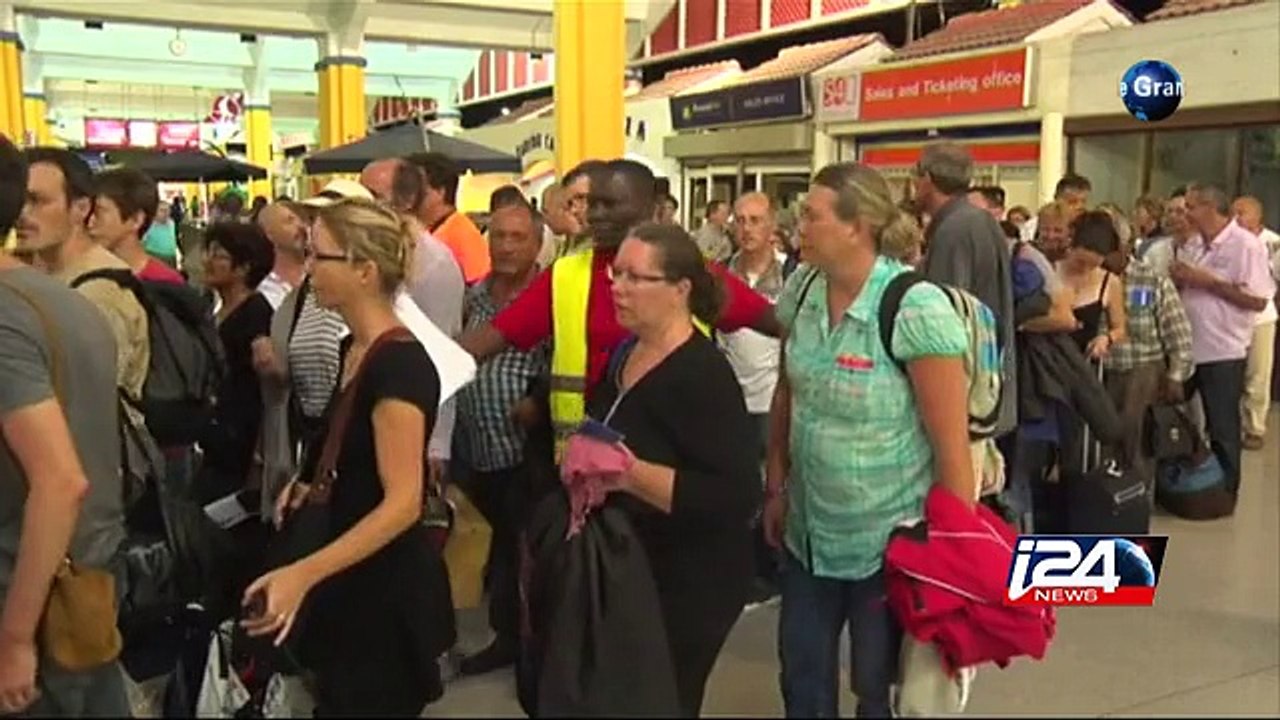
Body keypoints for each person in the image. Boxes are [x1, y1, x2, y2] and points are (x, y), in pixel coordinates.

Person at [764, 162, 976, 718]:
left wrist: (955, 554)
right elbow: (788, 390)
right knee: (802, 673)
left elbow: (951, 446)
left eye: (811, 215)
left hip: (889, 544)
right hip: (808, 533)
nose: (798, 225)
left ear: (857, 226)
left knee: (877, 687)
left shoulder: (913, 306)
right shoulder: (803, 287)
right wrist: (776, 485)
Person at [243, 198, 455, 716]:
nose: (308, 268)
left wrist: (303, 574)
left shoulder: (400, 364)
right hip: (349, 583)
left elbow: (403, 502)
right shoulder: (354, 349)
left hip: (380, 596)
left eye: (321, 257)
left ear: (364, 270)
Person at [459, 159, 779, 460]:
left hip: (670, 467)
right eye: (592, 203)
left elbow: (780, 324)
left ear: (653, 210)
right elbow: (489, 338)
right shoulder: (565, 275)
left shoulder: (692, 273)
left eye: (610, 204)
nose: (596, 214)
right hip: (587, 474)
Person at [580, 222, 759, 716]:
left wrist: (628, 473)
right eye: (617, 275)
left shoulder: (702, 374)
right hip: (628, 565)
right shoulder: (626, 352)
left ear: (680, 290)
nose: (617, 287)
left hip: (688, 579)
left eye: (636, 277)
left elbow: (735, 494)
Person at [0, 136, 130, 718]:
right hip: (85, 582)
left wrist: (15, 637)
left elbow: (60, 480)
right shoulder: (66, 301)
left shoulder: (10, 314)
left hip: (31, 595)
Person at [455, 200, 550, 677]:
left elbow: (565, 361)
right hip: (477, 448)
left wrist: (539, 401)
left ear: (537, 244)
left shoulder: (549, 296)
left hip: (524, 451)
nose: (507, 246)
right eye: (498, 236)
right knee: (497, 549)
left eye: (518, 238)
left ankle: (522, 645)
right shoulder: (474, 297)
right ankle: (507, 633)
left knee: (522, 551)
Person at [360, 159, 465, 486]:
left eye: (370, 195)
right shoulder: (370, 252)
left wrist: (437, 443)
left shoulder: (433, 263)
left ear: (404, 202)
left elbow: (444, 351)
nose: (360, 207)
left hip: (412, 422)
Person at [17, 148, 150, 402]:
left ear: (80, 208)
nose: (23, 214)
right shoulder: (40, 274)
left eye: (37, 201)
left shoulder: (100, 292)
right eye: (19, 200)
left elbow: (89, 401)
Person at [1171, 183, 1273, 504]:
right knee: (1175, 415)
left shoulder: (1245, 245)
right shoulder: (1193, 244)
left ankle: (1226, 492)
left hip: (1222, 350)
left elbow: (1257, 300)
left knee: (1222, 426)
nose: (1184, 213)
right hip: (1186, 348)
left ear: (1210, 208)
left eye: (1191, 207)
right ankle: (1190, 478)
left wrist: (1210, 283)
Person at [719, 192, 794, 605]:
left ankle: (1031, 593)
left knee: (773, 484)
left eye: (755, 221)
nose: (746, 229)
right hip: (733, 403)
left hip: (772, 400)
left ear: (772, 229)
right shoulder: (720, 277)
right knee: (741, 487)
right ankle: (746, 571)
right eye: (740, 220)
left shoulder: (790, 277)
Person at [914, 142, 1016, 438]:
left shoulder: (955, 230)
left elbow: (944, 321)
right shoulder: (978, 221)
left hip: (965, 400)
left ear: (928, 179)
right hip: (985, 387)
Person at [200, 222, 276, 497]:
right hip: (216, 435)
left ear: (243, 267)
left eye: (219, 256)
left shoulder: (255, 311)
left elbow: (266, 378)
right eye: (208, 252)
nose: (208, 261)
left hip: (240, 440)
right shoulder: (212, 307)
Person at [1231, 195, 1279, 450]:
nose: (1237, 218)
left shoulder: (1273, 243)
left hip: (1261, 318)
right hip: (1229, 316)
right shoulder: (1228, 241)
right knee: (1229, 374)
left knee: (1258, 374)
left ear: (1257, 217)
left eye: (1243, 213)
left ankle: (1255, 427)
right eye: (1233, 212)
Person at [90, 167, 186, 285]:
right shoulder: (76, 276)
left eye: (98, 212)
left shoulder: (167, 284)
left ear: (136, 220)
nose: (90, 221)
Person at [407, 152, 490, 283]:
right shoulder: (434, 229)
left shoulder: (462, 234)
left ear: (440, 191)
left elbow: (478, 287)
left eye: (416, 188)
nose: (408, 194)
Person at [1058, 210, 1129, 359]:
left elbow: (1119, 328)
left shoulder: (1109, 282)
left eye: (1093, 265)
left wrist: (1106, 339)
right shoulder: (1050, 271)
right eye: (1080, 261)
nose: (1085, 269)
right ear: (1071, 245)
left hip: (1083, 362)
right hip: (1046, 360)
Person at [256, 201, 310, 310]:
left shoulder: (318, 274)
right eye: (289, 221)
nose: (300, 226)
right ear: (269, 234)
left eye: (301, 220)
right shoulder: (261, 286)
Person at [1022, 173, 1091, 242]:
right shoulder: (1032, 228)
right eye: (1072, 202)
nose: (1080, 207)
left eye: (1084, 201)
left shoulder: (1090, 227)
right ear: (1057, 199)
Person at [143, 200, 180, 269]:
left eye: (168, 210)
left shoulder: (171, 223)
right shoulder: (149, 225)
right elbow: (142, 243)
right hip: (155, 258)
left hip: (171, 257)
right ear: (155, 212)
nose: (165, 213)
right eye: (162, 210)